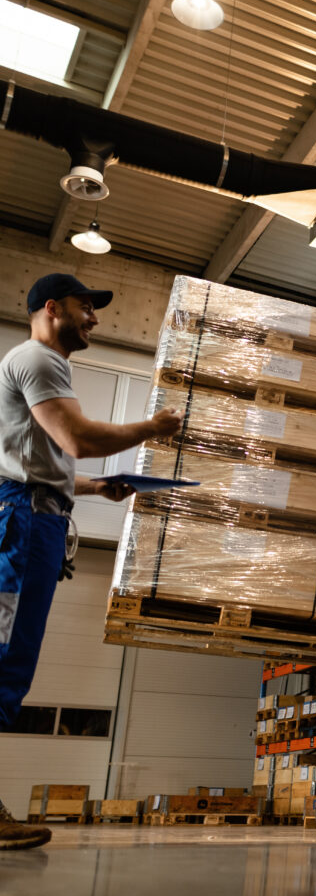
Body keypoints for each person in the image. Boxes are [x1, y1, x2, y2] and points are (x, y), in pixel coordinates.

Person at [0, 273, 182, 850]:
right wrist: (150, 428)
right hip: (23, 525)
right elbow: (75, 437)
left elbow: (39, 461)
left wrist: (96, 489)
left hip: (37, 517)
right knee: (5, 659)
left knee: (14, 660)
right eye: (86, 307)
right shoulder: (40, 359)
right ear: (51, 308)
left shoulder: (38, 364)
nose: (94, 318)